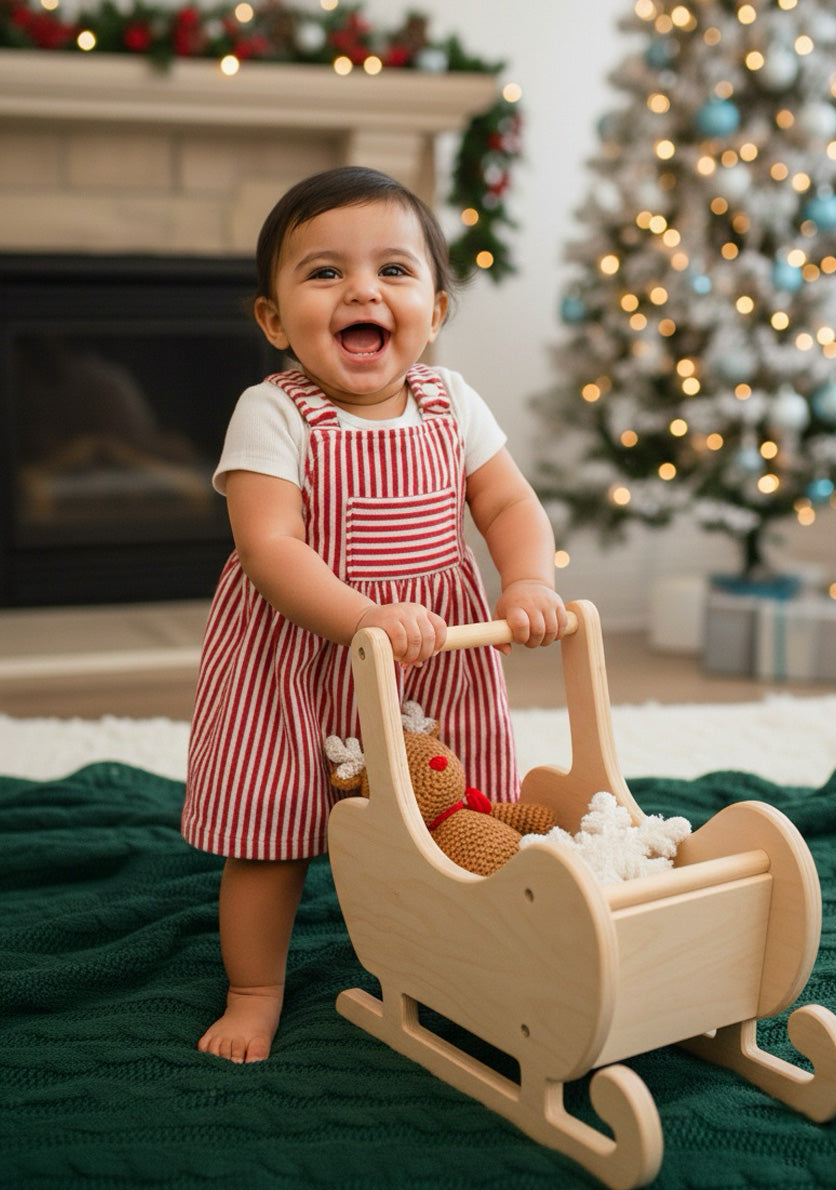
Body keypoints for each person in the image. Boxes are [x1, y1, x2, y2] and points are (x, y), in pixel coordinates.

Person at [181, 165, 567, 1063]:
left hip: (434, 655)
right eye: (324, 273)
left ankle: (466, 959)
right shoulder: (275, 413)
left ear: (433, 312)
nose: (362, 289)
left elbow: (509, 506)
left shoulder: (451, 402)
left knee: (452, 816)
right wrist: (361, 614)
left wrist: (527, 581)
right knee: (273, 829)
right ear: (275, 322)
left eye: (394, 271)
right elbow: (270, 546)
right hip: (301, 656)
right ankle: (255, 988)